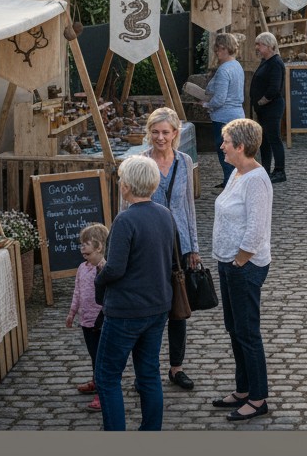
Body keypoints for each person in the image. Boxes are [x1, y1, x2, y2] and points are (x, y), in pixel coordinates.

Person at [93, 155, 174, 432]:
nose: (119, 184)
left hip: (126, 311)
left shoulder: (125, 220)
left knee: (107, 376)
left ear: (127, 186)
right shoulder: (165, 214)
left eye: (120, 180)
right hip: (158, 307)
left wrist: (99, 279)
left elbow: (115, 268)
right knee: (149, 374)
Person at [211, 118, 274, 422]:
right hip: (228, 263)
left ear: (240, 146)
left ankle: (258, 397)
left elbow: (256, 230)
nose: (221, 146)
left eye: (225, 141)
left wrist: (238, 261)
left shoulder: (257, 180)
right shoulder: (237, 173)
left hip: (244, 267)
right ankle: (243, 388)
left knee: (248, 332)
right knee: (234, 329)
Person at [142, 107, 201, 392]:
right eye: (155, 132)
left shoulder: (185, 162)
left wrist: (194, 248)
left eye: (166, 132)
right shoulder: (140, 162)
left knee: (178, 307)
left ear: (176, 133)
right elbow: (127, 207)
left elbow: (188, 205)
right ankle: (147, 370)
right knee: (150, 309)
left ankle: (176, 367)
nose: (160, 138)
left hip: (179, 246)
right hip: (149, 244)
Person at [66, 223, 108, 412]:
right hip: (86, 321)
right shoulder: (82, 268)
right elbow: (77, 292)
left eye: (88, 250)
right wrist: (72, 312)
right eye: (82, 248)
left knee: (102, 357)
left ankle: (102, 391)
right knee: (94, 355)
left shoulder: (105, 268)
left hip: (101, 321)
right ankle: (95, 380)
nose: (84, 253)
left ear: (99, 247)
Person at [204, 31, 245, 188]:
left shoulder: (224, 70)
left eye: (220, 48)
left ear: (228, 48)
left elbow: (220, 99)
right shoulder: (236, 66)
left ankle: (230, 184)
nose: (217, 52)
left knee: (225, 152)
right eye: (216, 49)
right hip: (237, 114)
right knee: (234, 151)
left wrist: (207, 105)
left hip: (223, 117)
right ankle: (231, 181)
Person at [251, 32, 287, 184]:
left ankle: (279, 170)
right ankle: (264, 168)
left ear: (269, 46)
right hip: (264, 109)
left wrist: (261, 101)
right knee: (264, 139)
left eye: (260, 45)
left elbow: (274, 88)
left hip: (272, 107)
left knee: (274, 138)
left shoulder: (275, 63)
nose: (258, 48)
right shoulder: (265, 61)